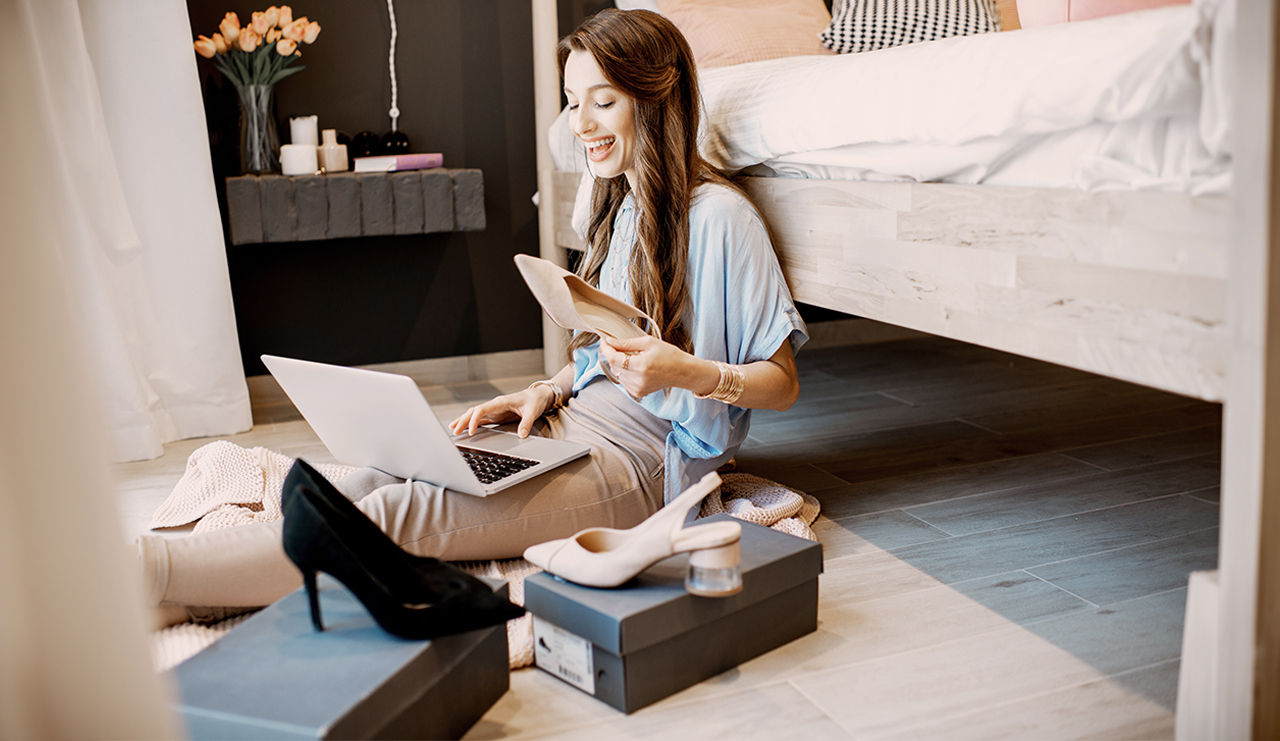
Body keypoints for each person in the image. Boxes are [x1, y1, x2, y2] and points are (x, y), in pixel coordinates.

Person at [138, 8, 807, 617]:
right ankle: (184, 594)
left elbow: (781, 382)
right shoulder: (614, 205)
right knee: (383, 472)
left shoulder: (720, 219)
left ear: (656, 98)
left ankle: (146, 578)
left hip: (639, 463)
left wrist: (690, 374)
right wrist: (545, 389)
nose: (581, 125)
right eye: (574, 103)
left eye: (603, 101)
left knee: (399, 514)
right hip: (567, 425)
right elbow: (610, 349)